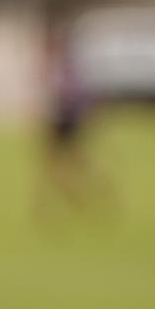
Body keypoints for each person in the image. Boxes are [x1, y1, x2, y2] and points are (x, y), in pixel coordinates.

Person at [36, 16, 113, 225]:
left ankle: (77, 196)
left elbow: (69, 96)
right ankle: (75, 196)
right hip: (66, 118)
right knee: (64, 163)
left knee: (62, 163)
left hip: (66, 118)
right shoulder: (67, 65)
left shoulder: (67, 68)